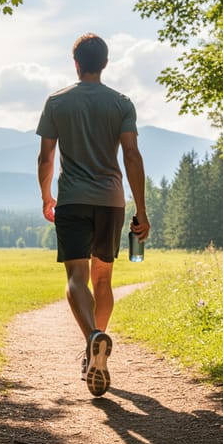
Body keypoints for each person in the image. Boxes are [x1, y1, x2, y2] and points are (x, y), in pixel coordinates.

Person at [36, 33, 150, 397]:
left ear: (76, 63)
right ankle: (95, 351)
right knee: (103, 280)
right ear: (105, 63)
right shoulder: (121, 103)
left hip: (72, 200)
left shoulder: (56, 103)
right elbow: (132, 155)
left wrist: (46, 196)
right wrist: (141, 209)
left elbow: (45, 158)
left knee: (76, 278)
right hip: (111, 202)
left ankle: (91, 340)